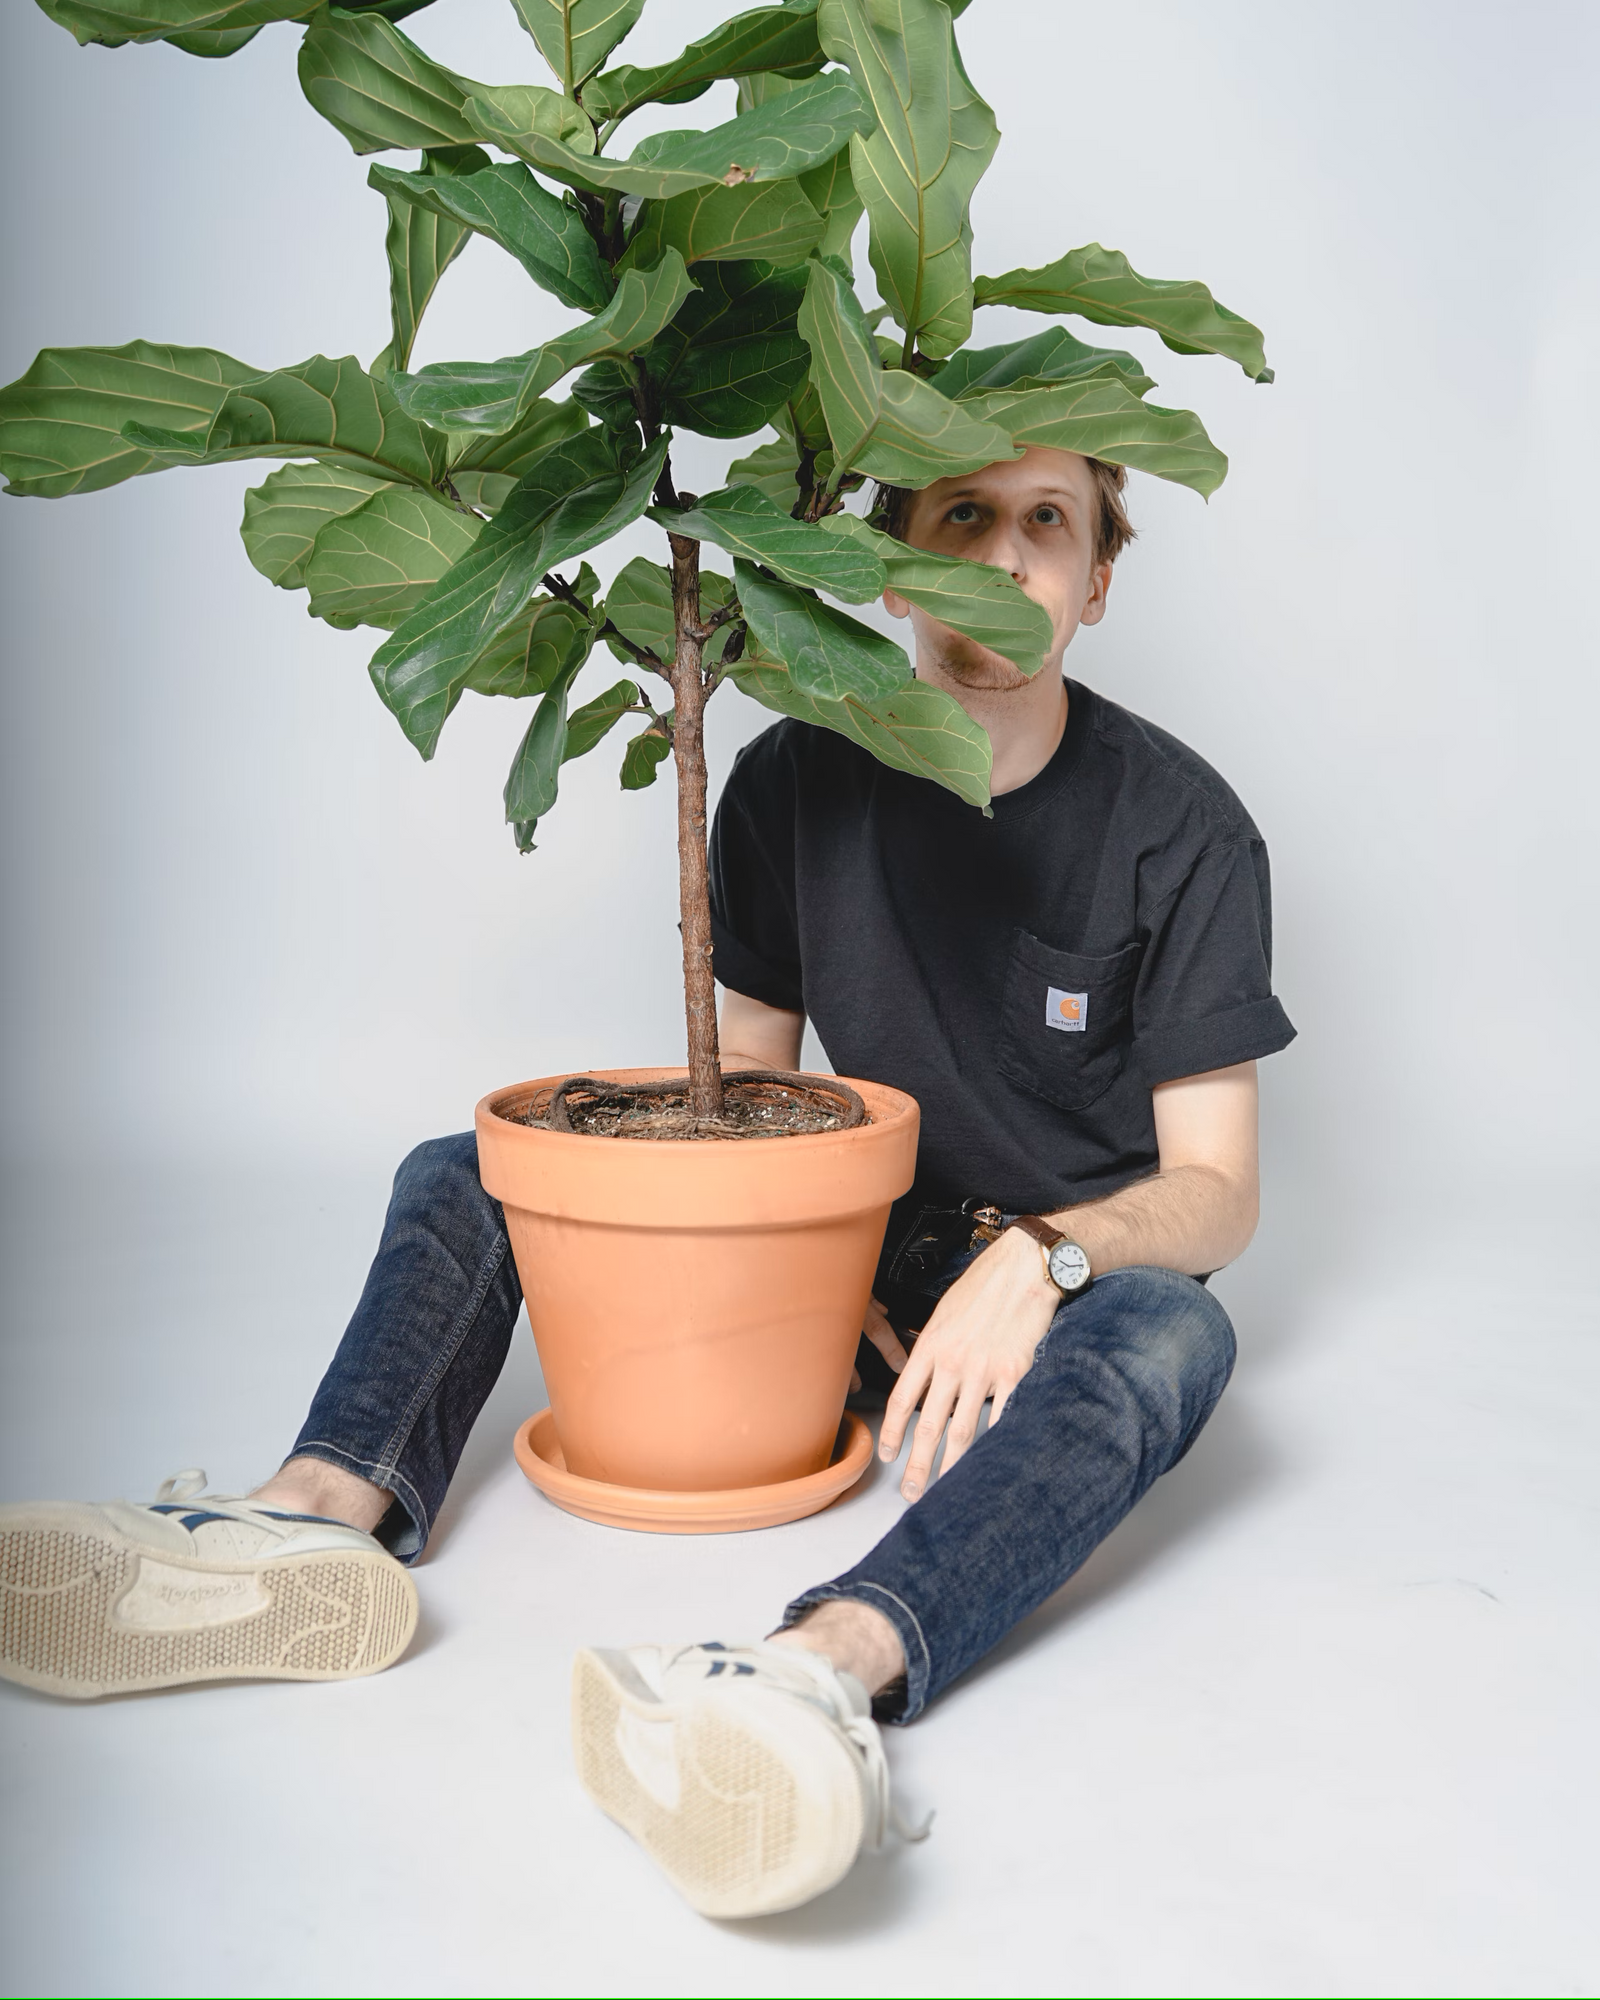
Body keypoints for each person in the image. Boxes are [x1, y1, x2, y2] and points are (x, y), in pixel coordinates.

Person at [0, 445, 1294, 1920]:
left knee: (1179, 1331)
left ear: (1097, 584)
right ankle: (308, 1516)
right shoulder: (793, 779)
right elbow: (742, 1105)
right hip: (841, 1266)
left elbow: (1219, 1195)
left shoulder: (1180, 829)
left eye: (1045, 526)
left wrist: (1043, 1263)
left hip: (1032, 1322)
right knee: (482, 1164)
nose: (1000, 561)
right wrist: (817, 1279)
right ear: (894, 563)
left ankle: (814, 1676)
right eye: (962, 518)